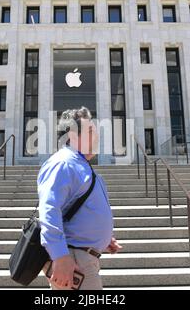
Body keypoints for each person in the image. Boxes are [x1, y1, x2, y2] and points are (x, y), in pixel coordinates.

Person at [38, 107, 122, 290]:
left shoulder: (79, 165)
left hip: (82, 258)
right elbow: (49, 210)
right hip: (73, 261)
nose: (97, 136)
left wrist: (102, 238)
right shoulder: (63, 163)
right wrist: (60, 257)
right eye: (91, 131)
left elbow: (77, 208)